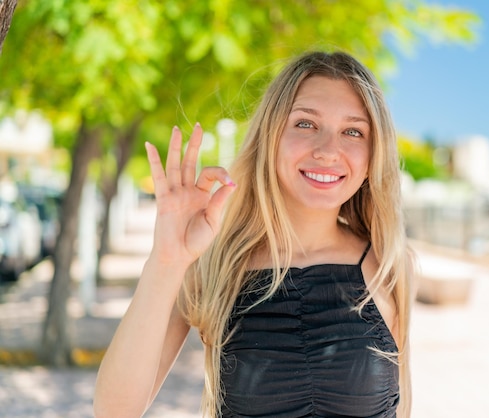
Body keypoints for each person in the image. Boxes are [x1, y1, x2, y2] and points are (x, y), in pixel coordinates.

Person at [94, 50, 415, 418]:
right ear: (270, 136)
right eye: (306, 124)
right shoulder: (216, 262)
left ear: (373, 156)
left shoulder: (390, 262)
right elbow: (113, 411)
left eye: (353, 131)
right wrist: (167, 260)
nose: (328, 150)